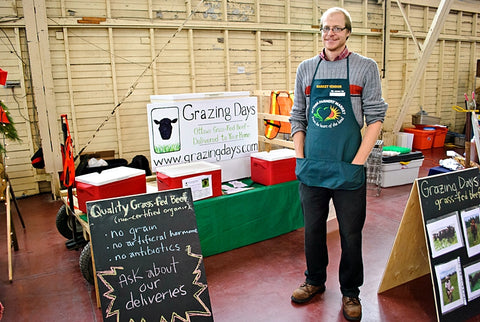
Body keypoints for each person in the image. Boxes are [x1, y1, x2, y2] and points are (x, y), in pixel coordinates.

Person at [288, 7, 388, 321]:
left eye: (337, 28)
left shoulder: (364, 67)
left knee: (351, 234)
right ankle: (315, 281)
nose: (330, 33)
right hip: (312, 169)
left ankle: (351, 293)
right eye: (325, 28)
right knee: (313, 231)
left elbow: (376, 119)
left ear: (347, 32)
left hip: (348, 168)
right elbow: (298, 117)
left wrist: (358, 163)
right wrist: (300, 155)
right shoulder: (306, 69)